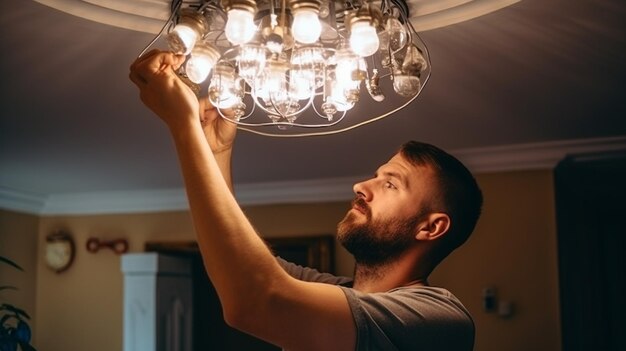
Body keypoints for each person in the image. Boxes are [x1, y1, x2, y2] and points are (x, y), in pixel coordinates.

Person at [129, 49, 483, 351]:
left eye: (390, 185)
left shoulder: (439, 319)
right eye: (375, 176)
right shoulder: (341, 292)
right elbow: (247, 267)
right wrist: (215, 151)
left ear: (432, 226)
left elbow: (255, 300)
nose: (361, 185)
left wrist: (184, 126)